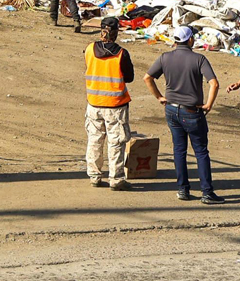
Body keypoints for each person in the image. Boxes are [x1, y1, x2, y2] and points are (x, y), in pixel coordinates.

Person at [143, 26, 223, 203]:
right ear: (190, 40)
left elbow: (147, 77)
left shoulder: (165, 57)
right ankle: (207, 192)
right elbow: (214, 84)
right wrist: (208, 105)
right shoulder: (199, 59)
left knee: (179, 150)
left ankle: (183, 190)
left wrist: (159, 97)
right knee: (201, 151)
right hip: (192, 111)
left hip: (171, 110)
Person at [84, 16, 134, 190]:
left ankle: (94, 176)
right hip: (115, 106)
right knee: (116, 143)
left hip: (94, 103)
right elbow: (129, 77)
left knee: (94, 141)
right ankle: (116, 179)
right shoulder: (121, 54)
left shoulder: (89, 49)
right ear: (116, 32)